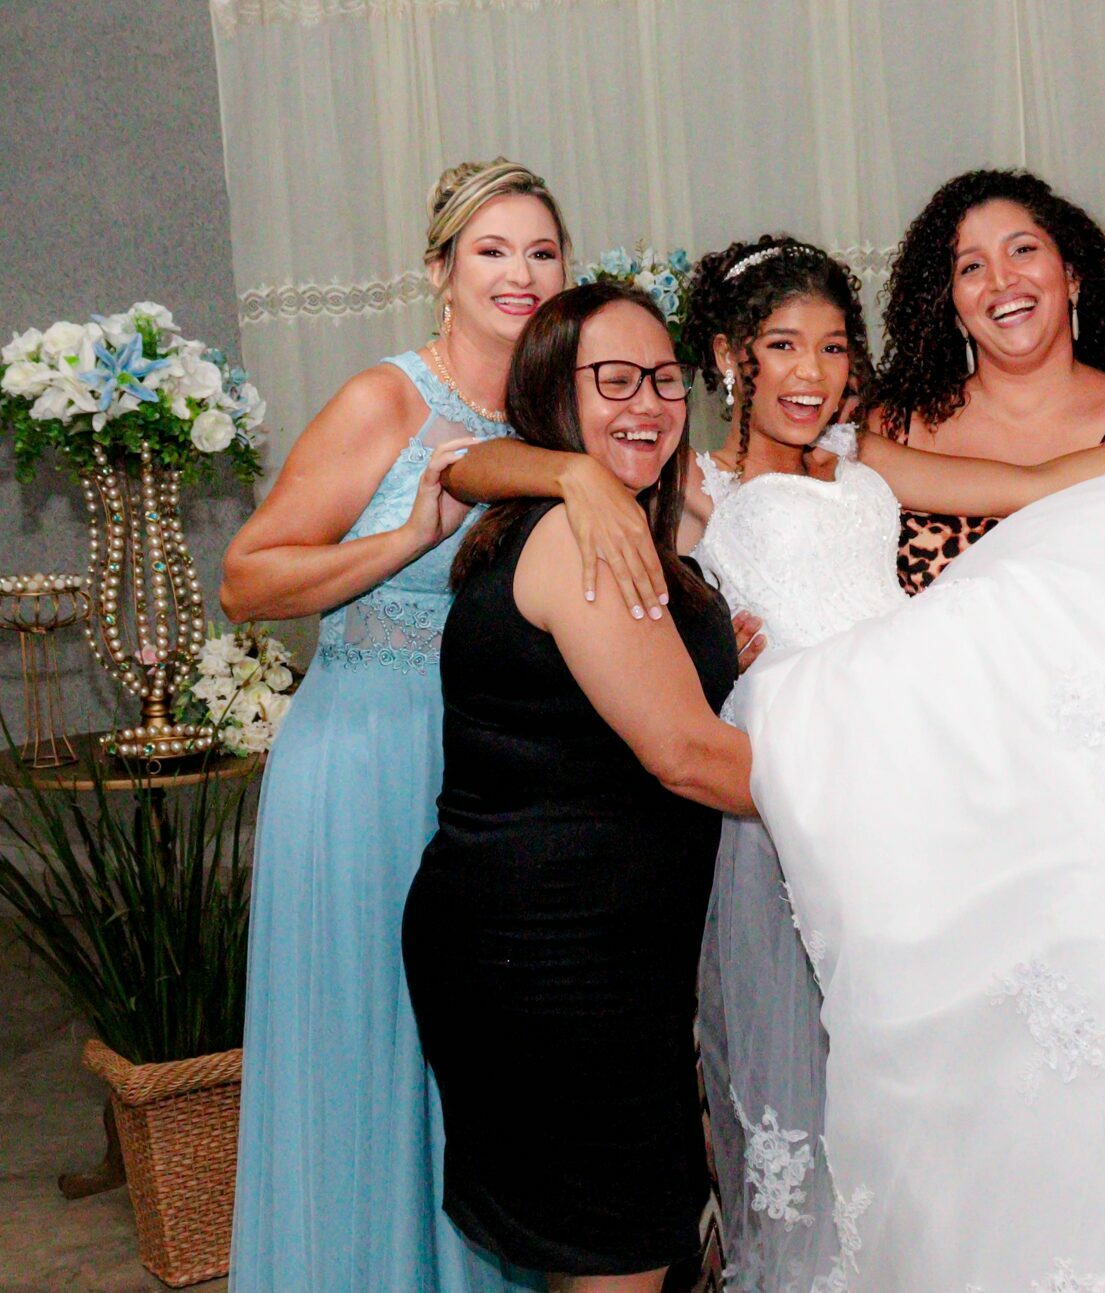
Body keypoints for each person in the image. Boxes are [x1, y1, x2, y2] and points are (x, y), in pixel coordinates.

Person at [448, 231, 1105, 1289]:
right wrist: (572, 473)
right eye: (783, 347)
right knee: (891, 1029)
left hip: (915, 722)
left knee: (1104, 741)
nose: (811, 373)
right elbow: (464, 466)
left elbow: (1036, 484)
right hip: (820, 751)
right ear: (734, 360)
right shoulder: (693, 481)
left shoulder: (861, 457)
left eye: (834, 348)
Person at [220, 158, 562, 1291]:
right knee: (374, 1048)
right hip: (367, 764)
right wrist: (409, 536)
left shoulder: (553, 415)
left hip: (494, 768)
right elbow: (248, 579)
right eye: (492, 250)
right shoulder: (387, 400)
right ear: (440, 272)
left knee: (483, 1069)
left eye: (542, 251)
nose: (519, 274)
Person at [404, 283, 744, 1291]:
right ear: (555, 394)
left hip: (603, 945)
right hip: (551, 958)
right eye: (615, 380)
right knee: (615, 1262)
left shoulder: (615, 521)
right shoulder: (571, 533)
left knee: (626, 1252)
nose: (649, 403)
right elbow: (684, 754)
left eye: (666, 381)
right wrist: (872, 790)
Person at [869, 168, 1105, 592]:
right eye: (971, 266)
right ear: (952, 307)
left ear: (1071, 276)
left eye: (1022, 250)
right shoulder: (895, 430)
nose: (1000, 280)